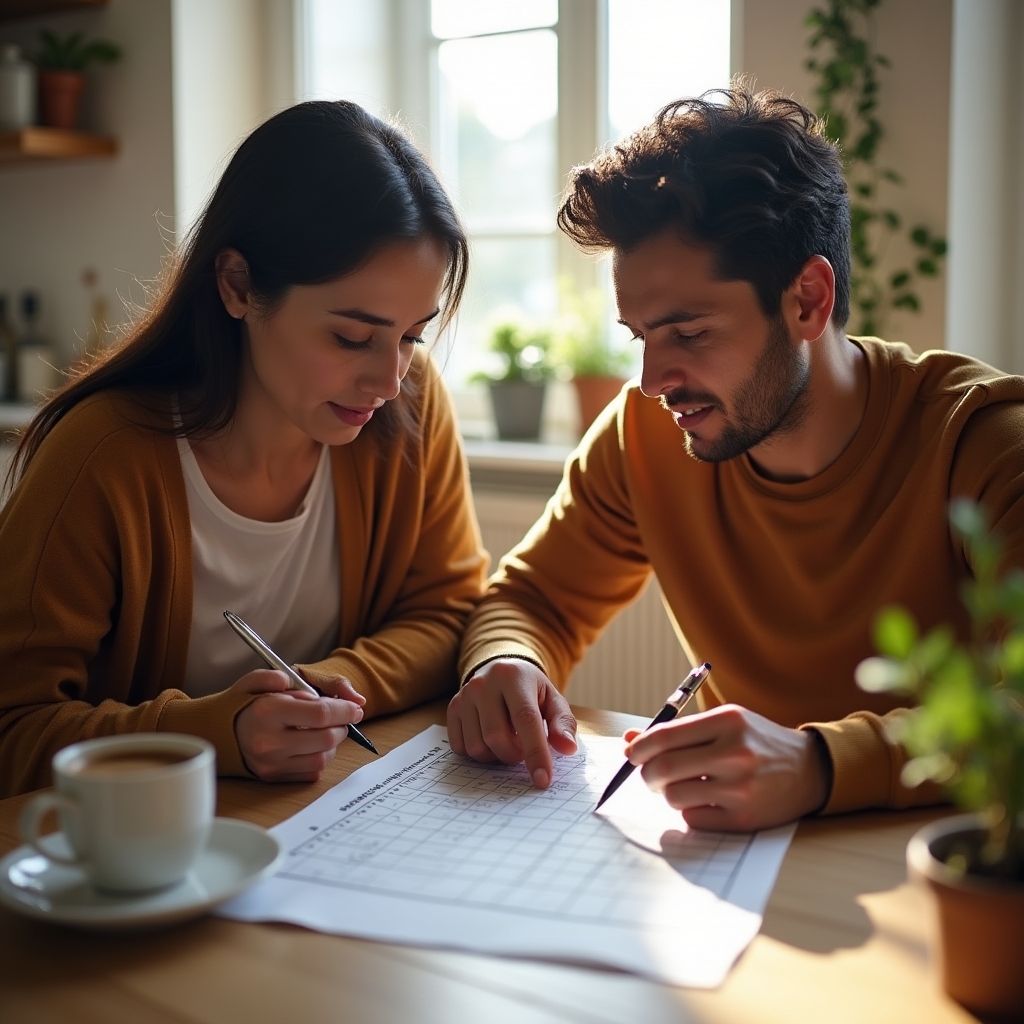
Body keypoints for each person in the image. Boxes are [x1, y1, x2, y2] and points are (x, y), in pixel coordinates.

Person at [448, 87, 1024, 831]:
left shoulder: (985, 444)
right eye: (640, 337)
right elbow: (531, 603)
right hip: (737, 866)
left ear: (808, 301)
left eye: (688, 333)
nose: (653, 383)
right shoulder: (643, 438)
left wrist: (819, 764)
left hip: (949, 867)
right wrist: (509, 666)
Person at [0, 101, 488, 798]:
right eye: (353, 337)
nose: (389, 378)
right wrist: (210, 733)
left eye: (413, 335)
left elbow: (448, 613)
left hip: (306, 823)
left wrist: (326, 691)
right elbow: (12, 725)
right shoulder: (102, 456)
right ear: (238, 286)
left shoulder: (409, 406)